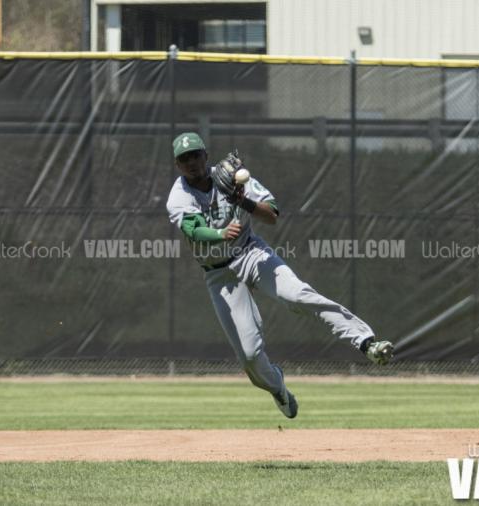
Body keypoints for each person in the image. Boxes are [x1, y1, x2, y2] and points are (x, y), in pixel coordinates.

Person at [166, 132, 393, 419]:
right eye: (184, 159)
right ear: (177, 164)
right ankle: (278, 388)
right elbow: (193, 229)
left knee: (298, 294)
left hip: (251, 253)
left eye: (195, 155)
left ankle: (366, 342)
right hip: (219, 275)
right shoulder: (179, 196)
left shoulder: (233, 178)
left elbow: (272, 213)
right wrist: (221, 233)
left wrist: (244, 200)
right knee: (249, 357)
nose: (191, 162)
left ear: (205, 155)